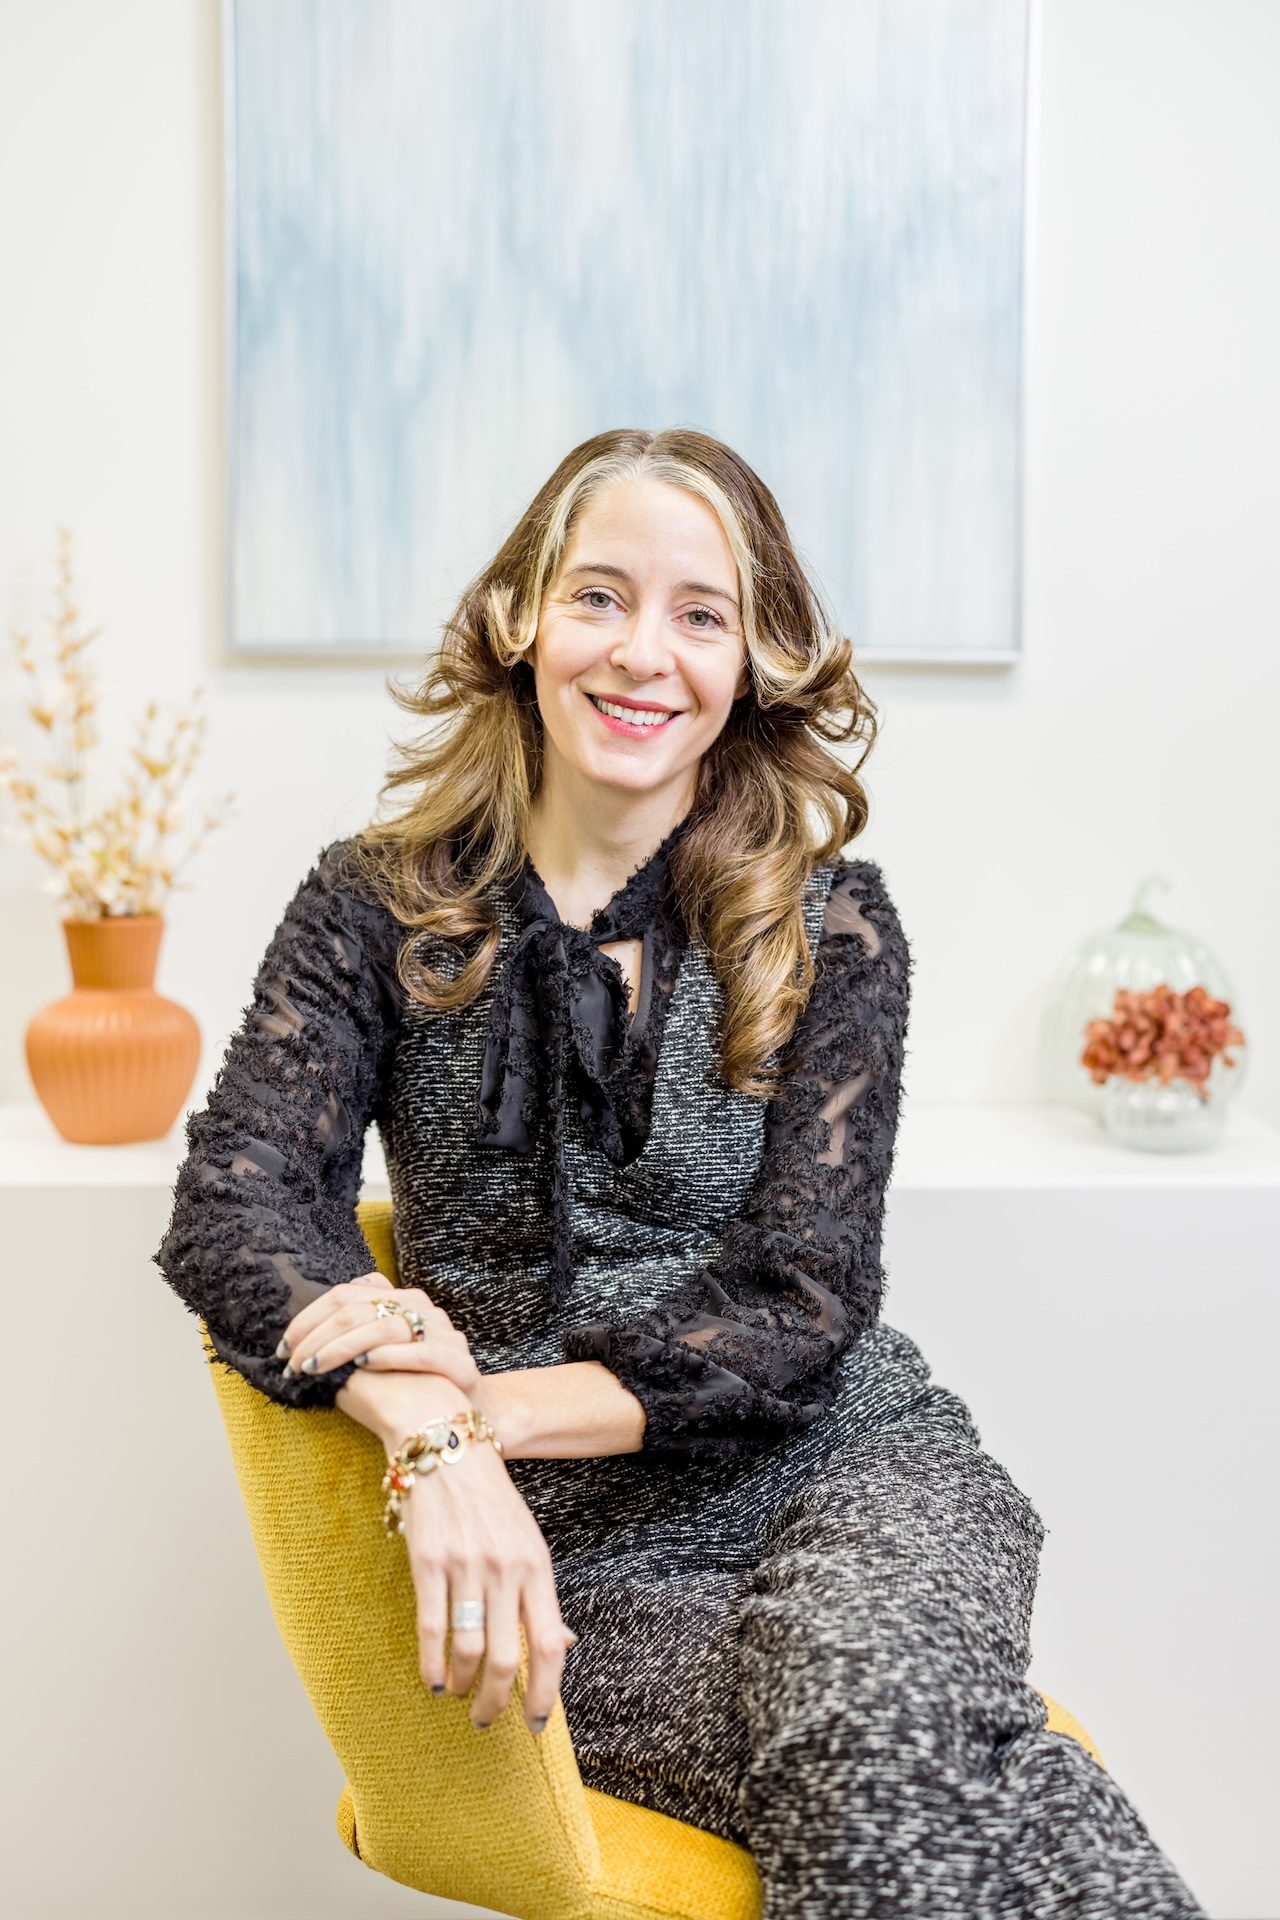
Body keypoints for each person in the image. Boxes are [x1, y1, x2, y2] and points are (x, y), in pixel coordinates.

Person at [154, 427, 1206, 1919]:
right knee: (912, 1766)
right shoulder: (372, 908)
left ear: (750, 663)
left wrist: (473, 1419)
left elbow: (800, 1302)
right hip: (581, 1561)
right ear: (522, 619)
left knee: (867, 1724)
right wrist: (423, 1430)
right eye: (599, 596)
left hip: (860, 1473)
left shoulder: (838, 928)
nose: (644, 652)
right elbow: (240, 1204)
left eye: (700, 613)